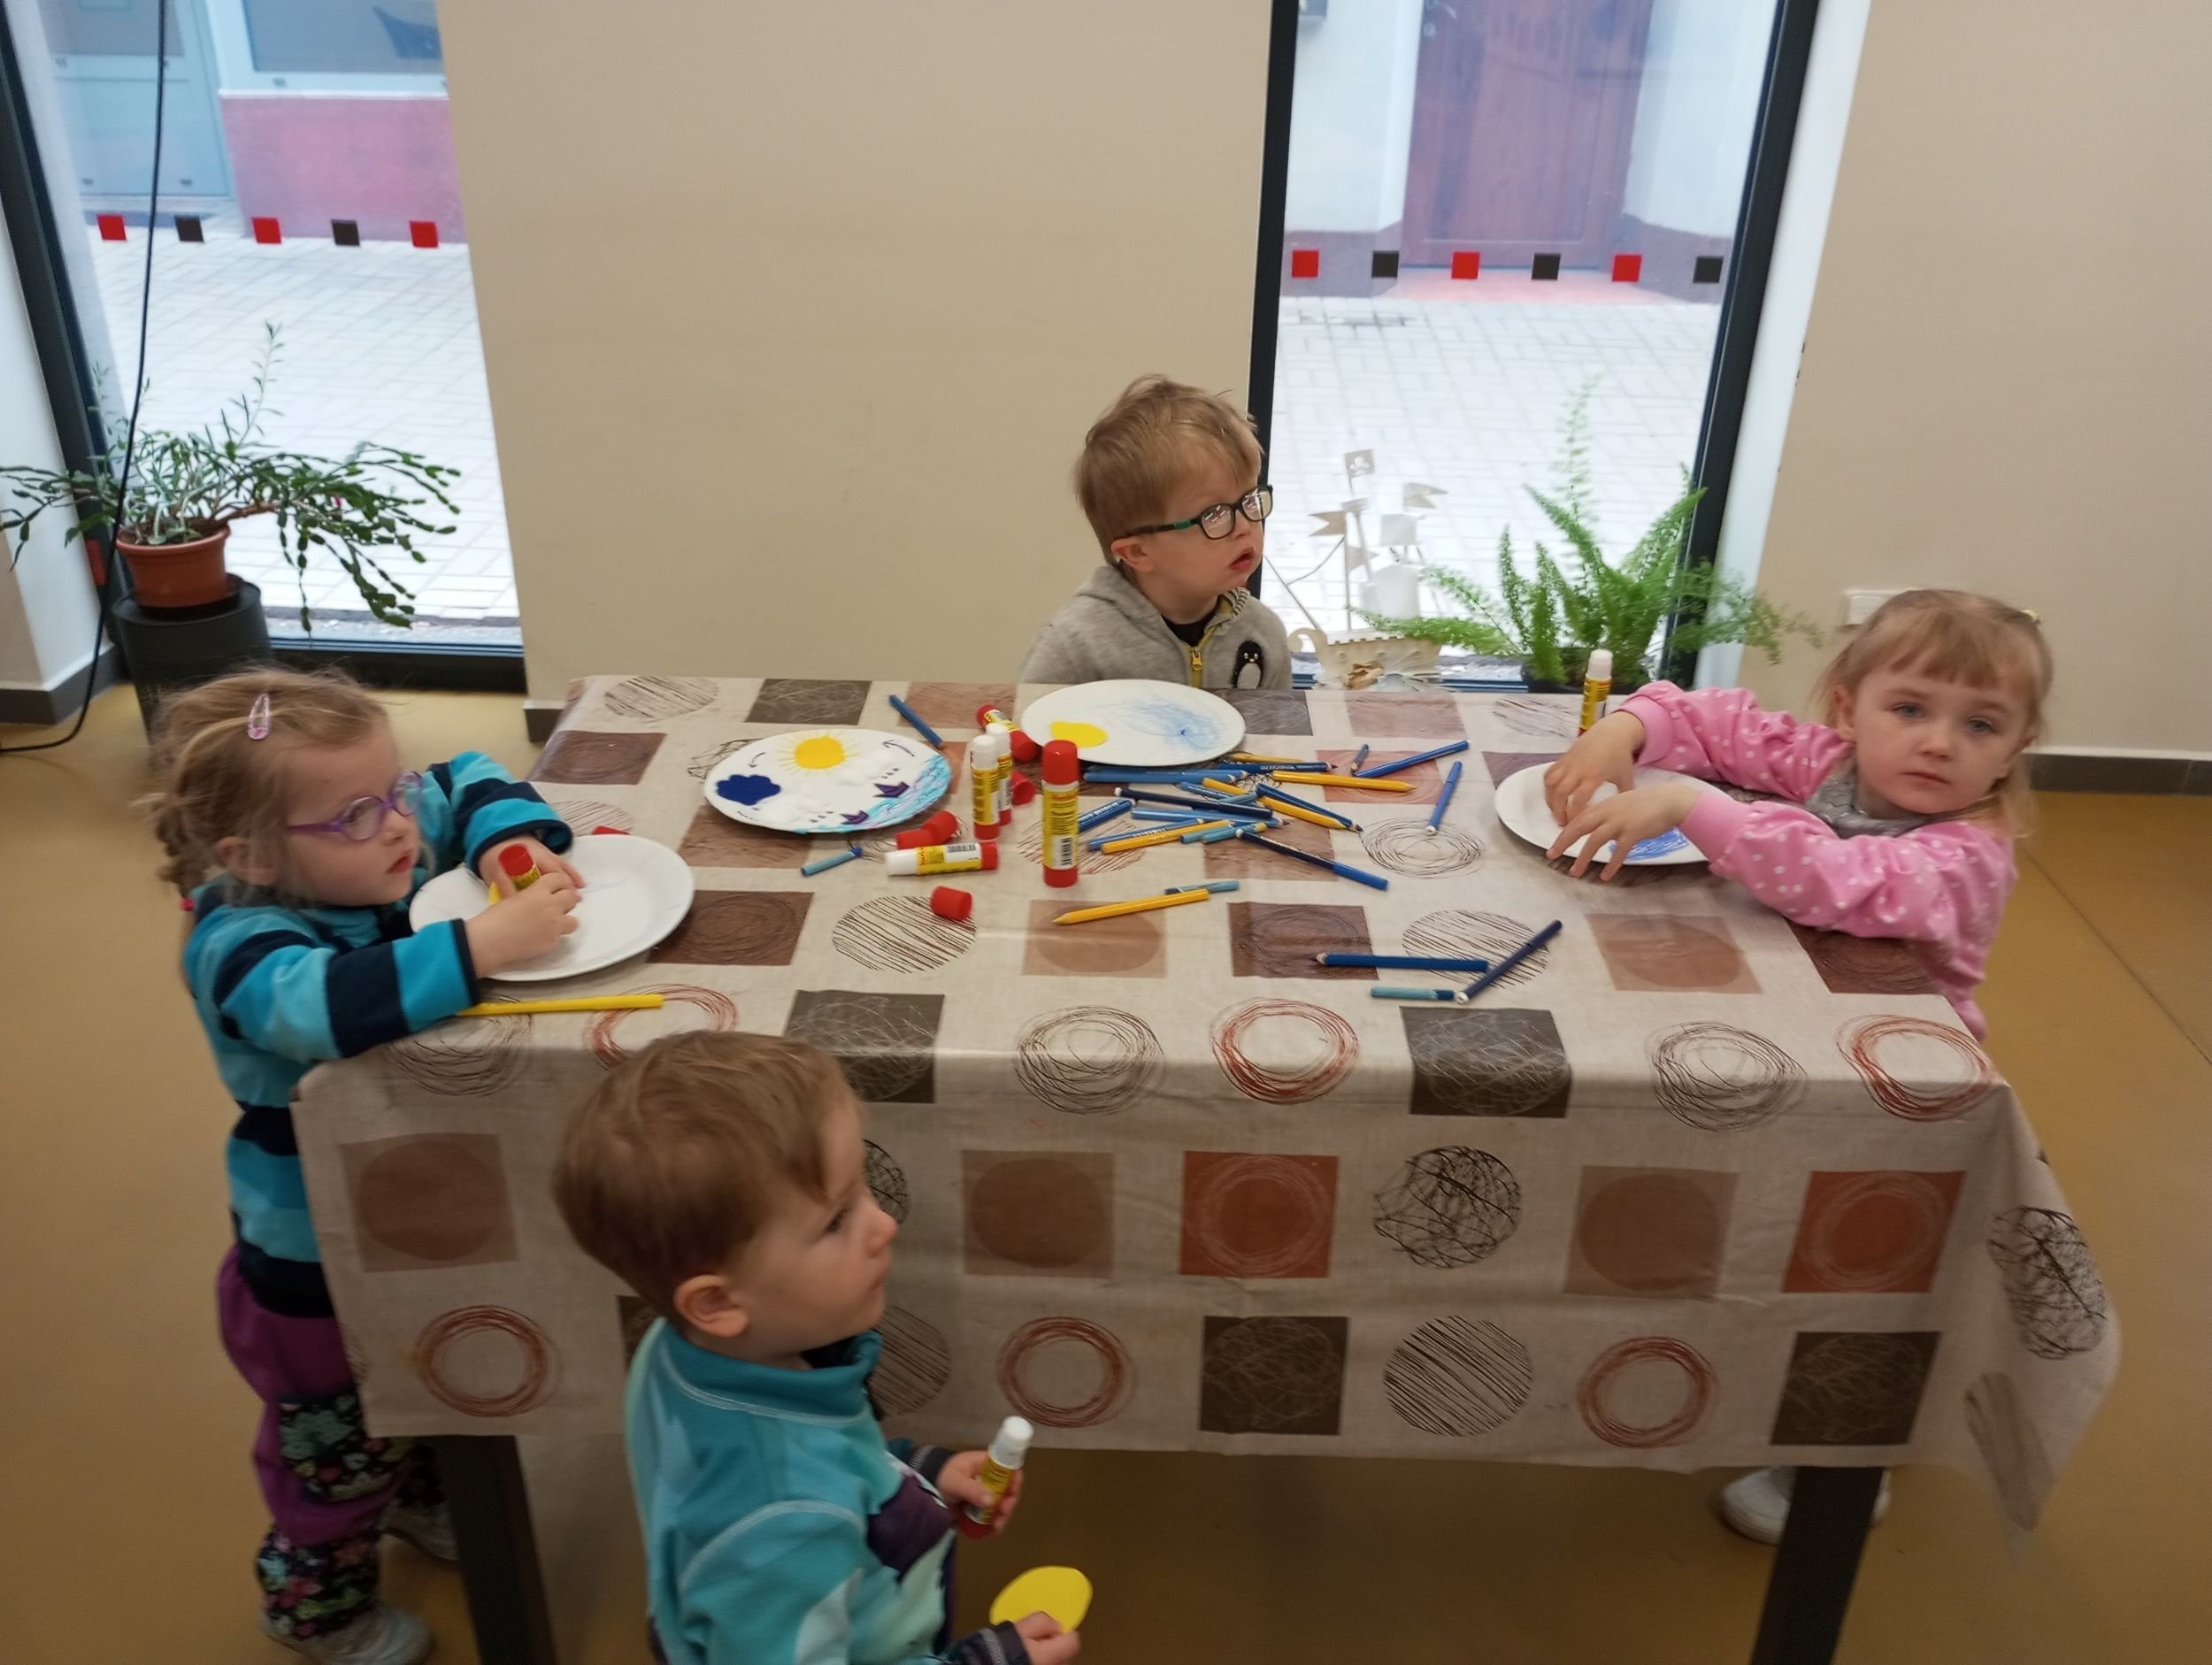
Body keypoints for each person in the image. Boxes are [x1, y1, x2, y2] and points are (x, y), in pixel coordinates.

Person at [1541, 589, 2051, 1541]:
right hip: (1786, 1032)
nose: (1938, 743)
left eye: (1980, 725)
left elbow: (1843, 883)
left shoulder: (1968, 852)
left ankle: (1842, 1455)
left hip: (1896, 1095)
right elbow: (1708, 719)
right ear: (1847, 708)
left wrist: (1693, 803)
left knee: (1863, 1270)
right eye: (1910, 708)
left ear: (2017, 747)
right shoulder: (1830, 765)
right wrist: (1624, 729)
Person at [150, 668, 583, 1664]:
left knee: (424, 1371)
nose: (395, 824)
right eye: (355, 815)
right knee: (336, 1452)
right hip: (314, 1256)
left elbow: (463, 776)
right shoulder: (235, 939)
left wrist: (507, 842)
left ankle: (425, 1496)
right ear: (250, 854)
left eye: (389, 791)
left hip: (412, 1202)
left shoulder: (374, 830)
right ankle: (316, 1604)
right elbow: (325, 1005)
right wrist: (481, 943)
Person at [552, 1032, 1079, 1665]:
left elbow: (815, 1457)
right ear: (717, 1303)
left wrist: (918, 1472)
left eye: (862, 1189)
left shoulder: (678, 1354)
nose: (884, 1225)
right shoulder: (783, 1527)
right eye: (835, 1220)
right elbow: (793, 1502)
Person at [1018, 373, 1293, 690]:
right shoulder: (1075, 649)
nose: (1245, 527)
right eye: (1213, 515)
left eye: (1249, 499)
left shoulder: (1264, 635)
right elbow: (1033, 721)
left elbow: (1278, 723)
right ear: (1137, 552)